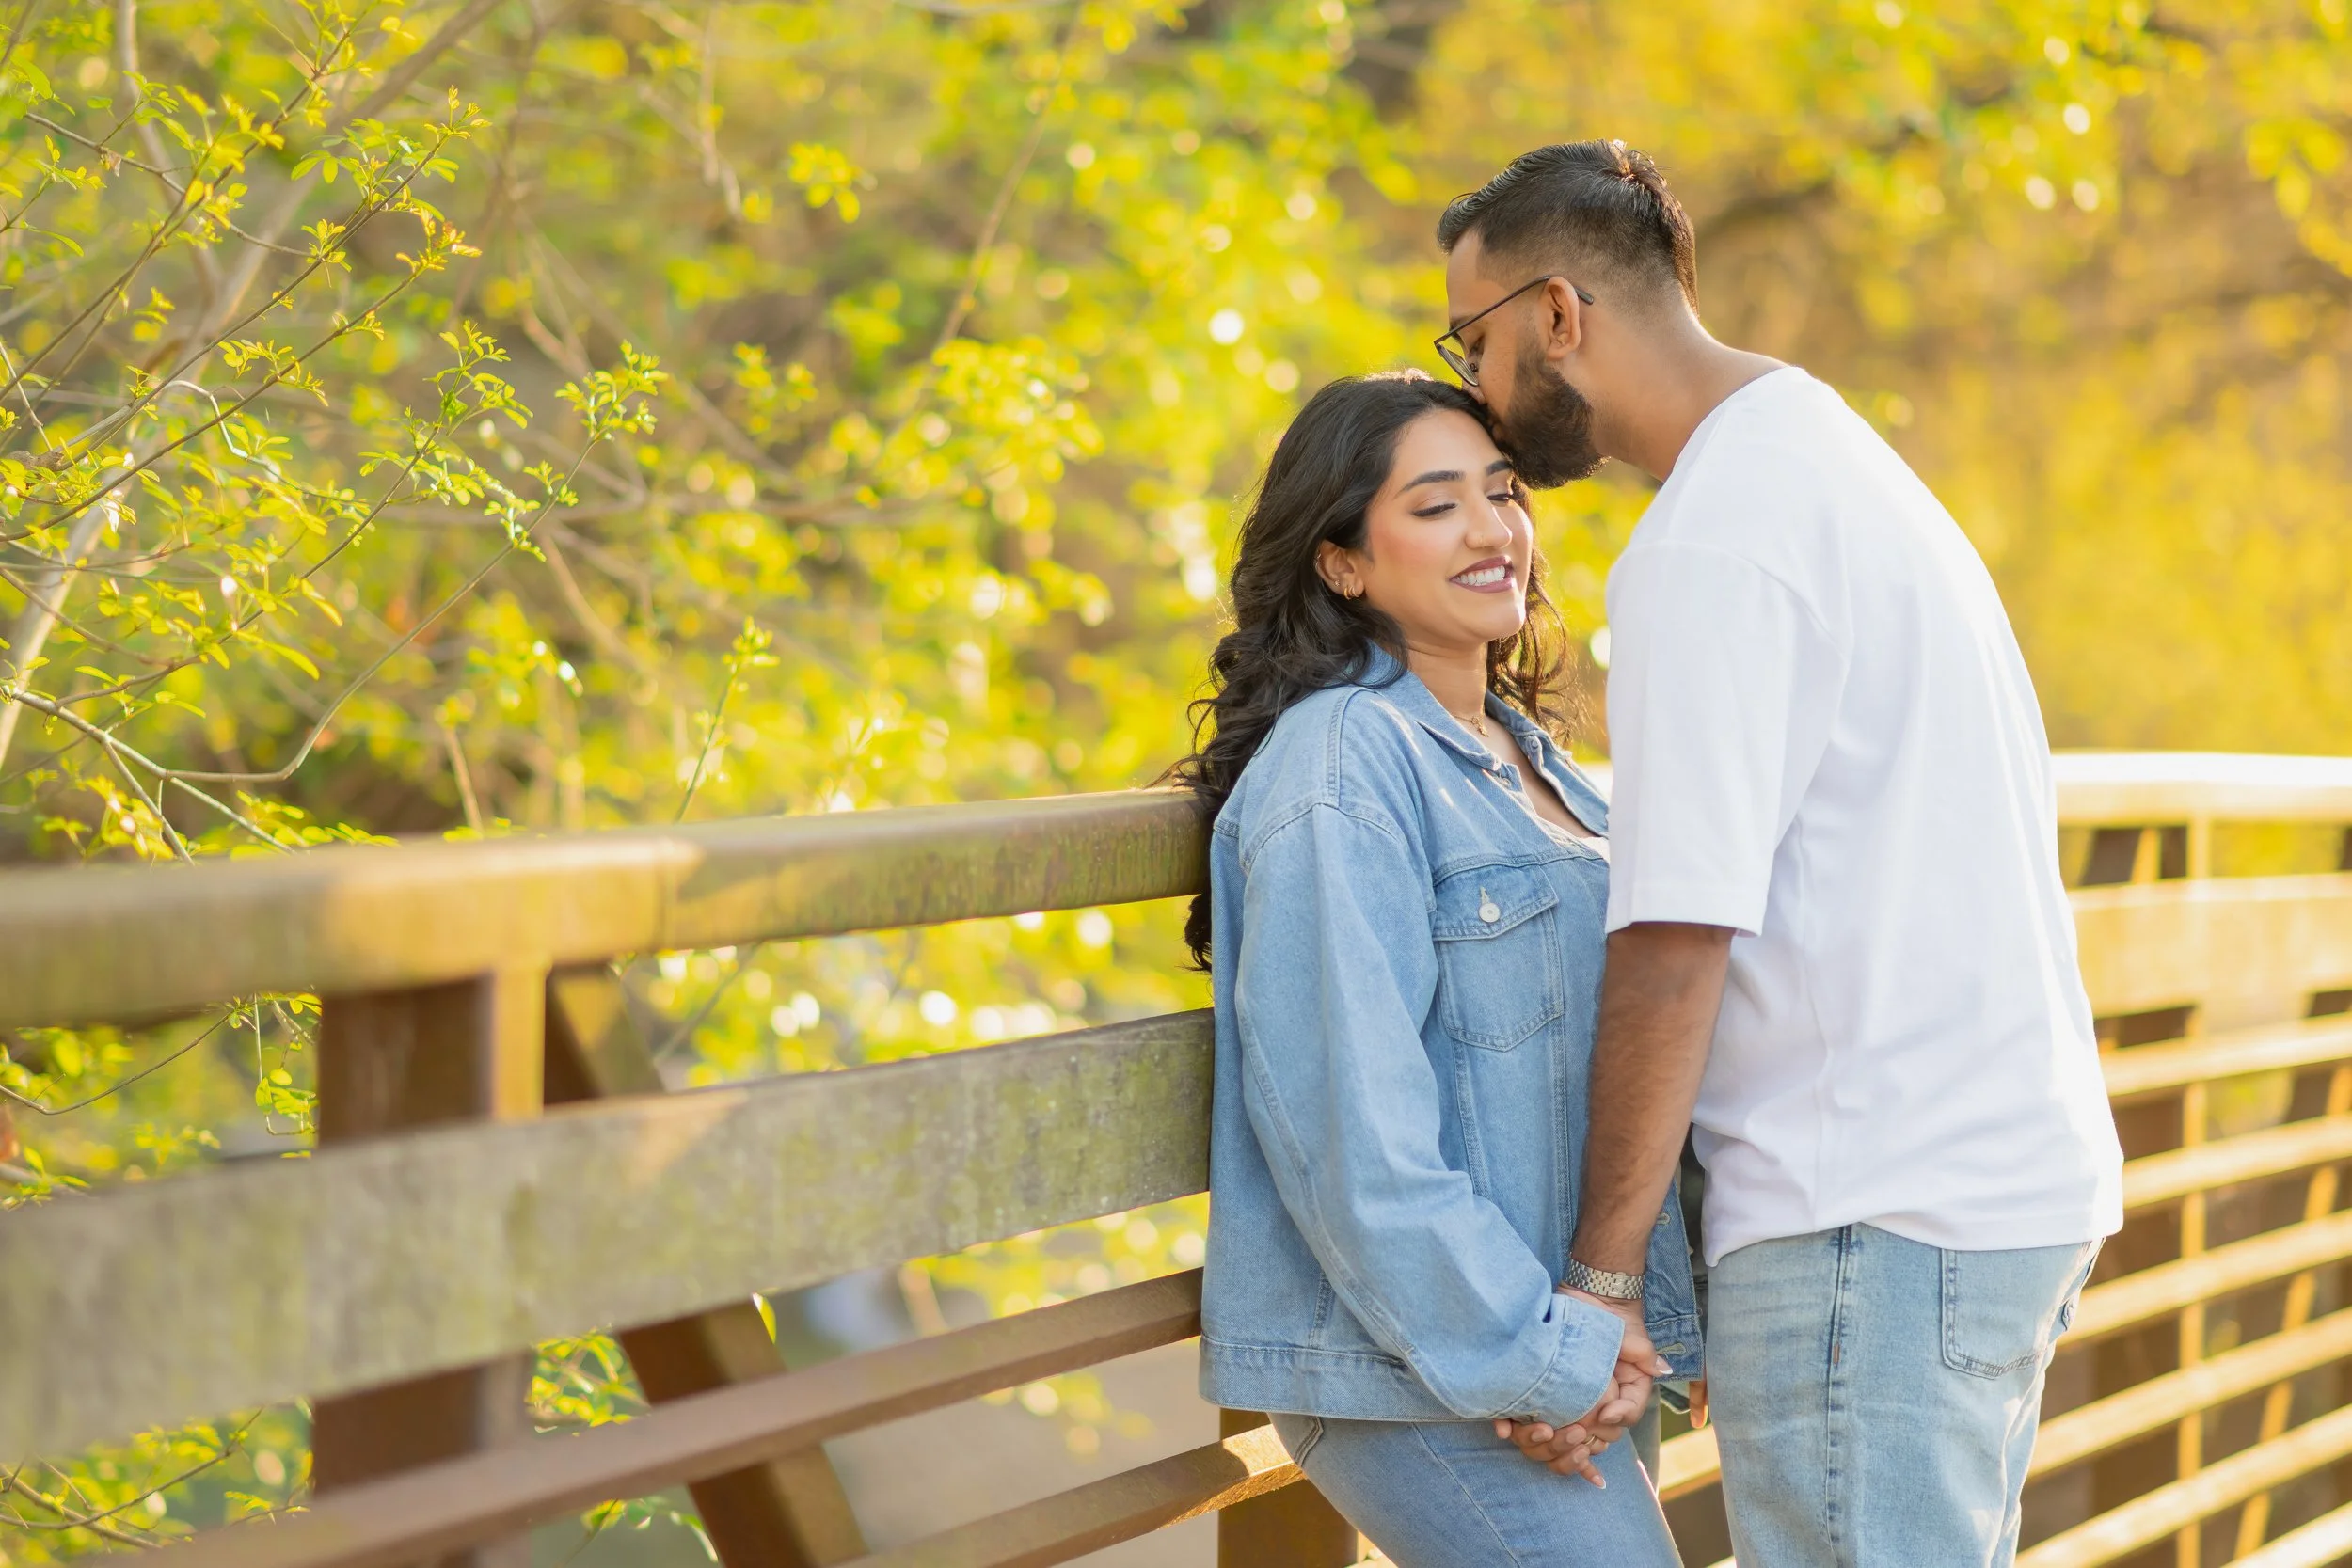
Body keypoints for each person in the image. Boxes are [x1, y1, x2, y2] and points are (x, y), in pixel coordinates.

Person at [1436, 139, 2124, 1566]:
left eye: (1477, 341)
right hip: (1983, 1191)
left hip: (1867, 1222)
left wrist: (1601, 1274)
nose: (1476, 390)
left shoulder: (1709, 546)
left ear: (1560, 315)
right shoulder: (1832, 459)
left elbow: (1678, 932)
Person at [1178, 370, 1700, 1566]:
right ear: (1341, 561)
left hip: (1560, 1343)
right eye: (1434, 504)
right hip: (1420, 1367)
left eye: (1503, 491)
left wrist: (1630, 1331)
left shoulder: (1537, 764)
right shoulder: (1341, 770)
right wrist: (1546, 1355)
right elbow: (1354, 1140)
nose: (1491, 529)